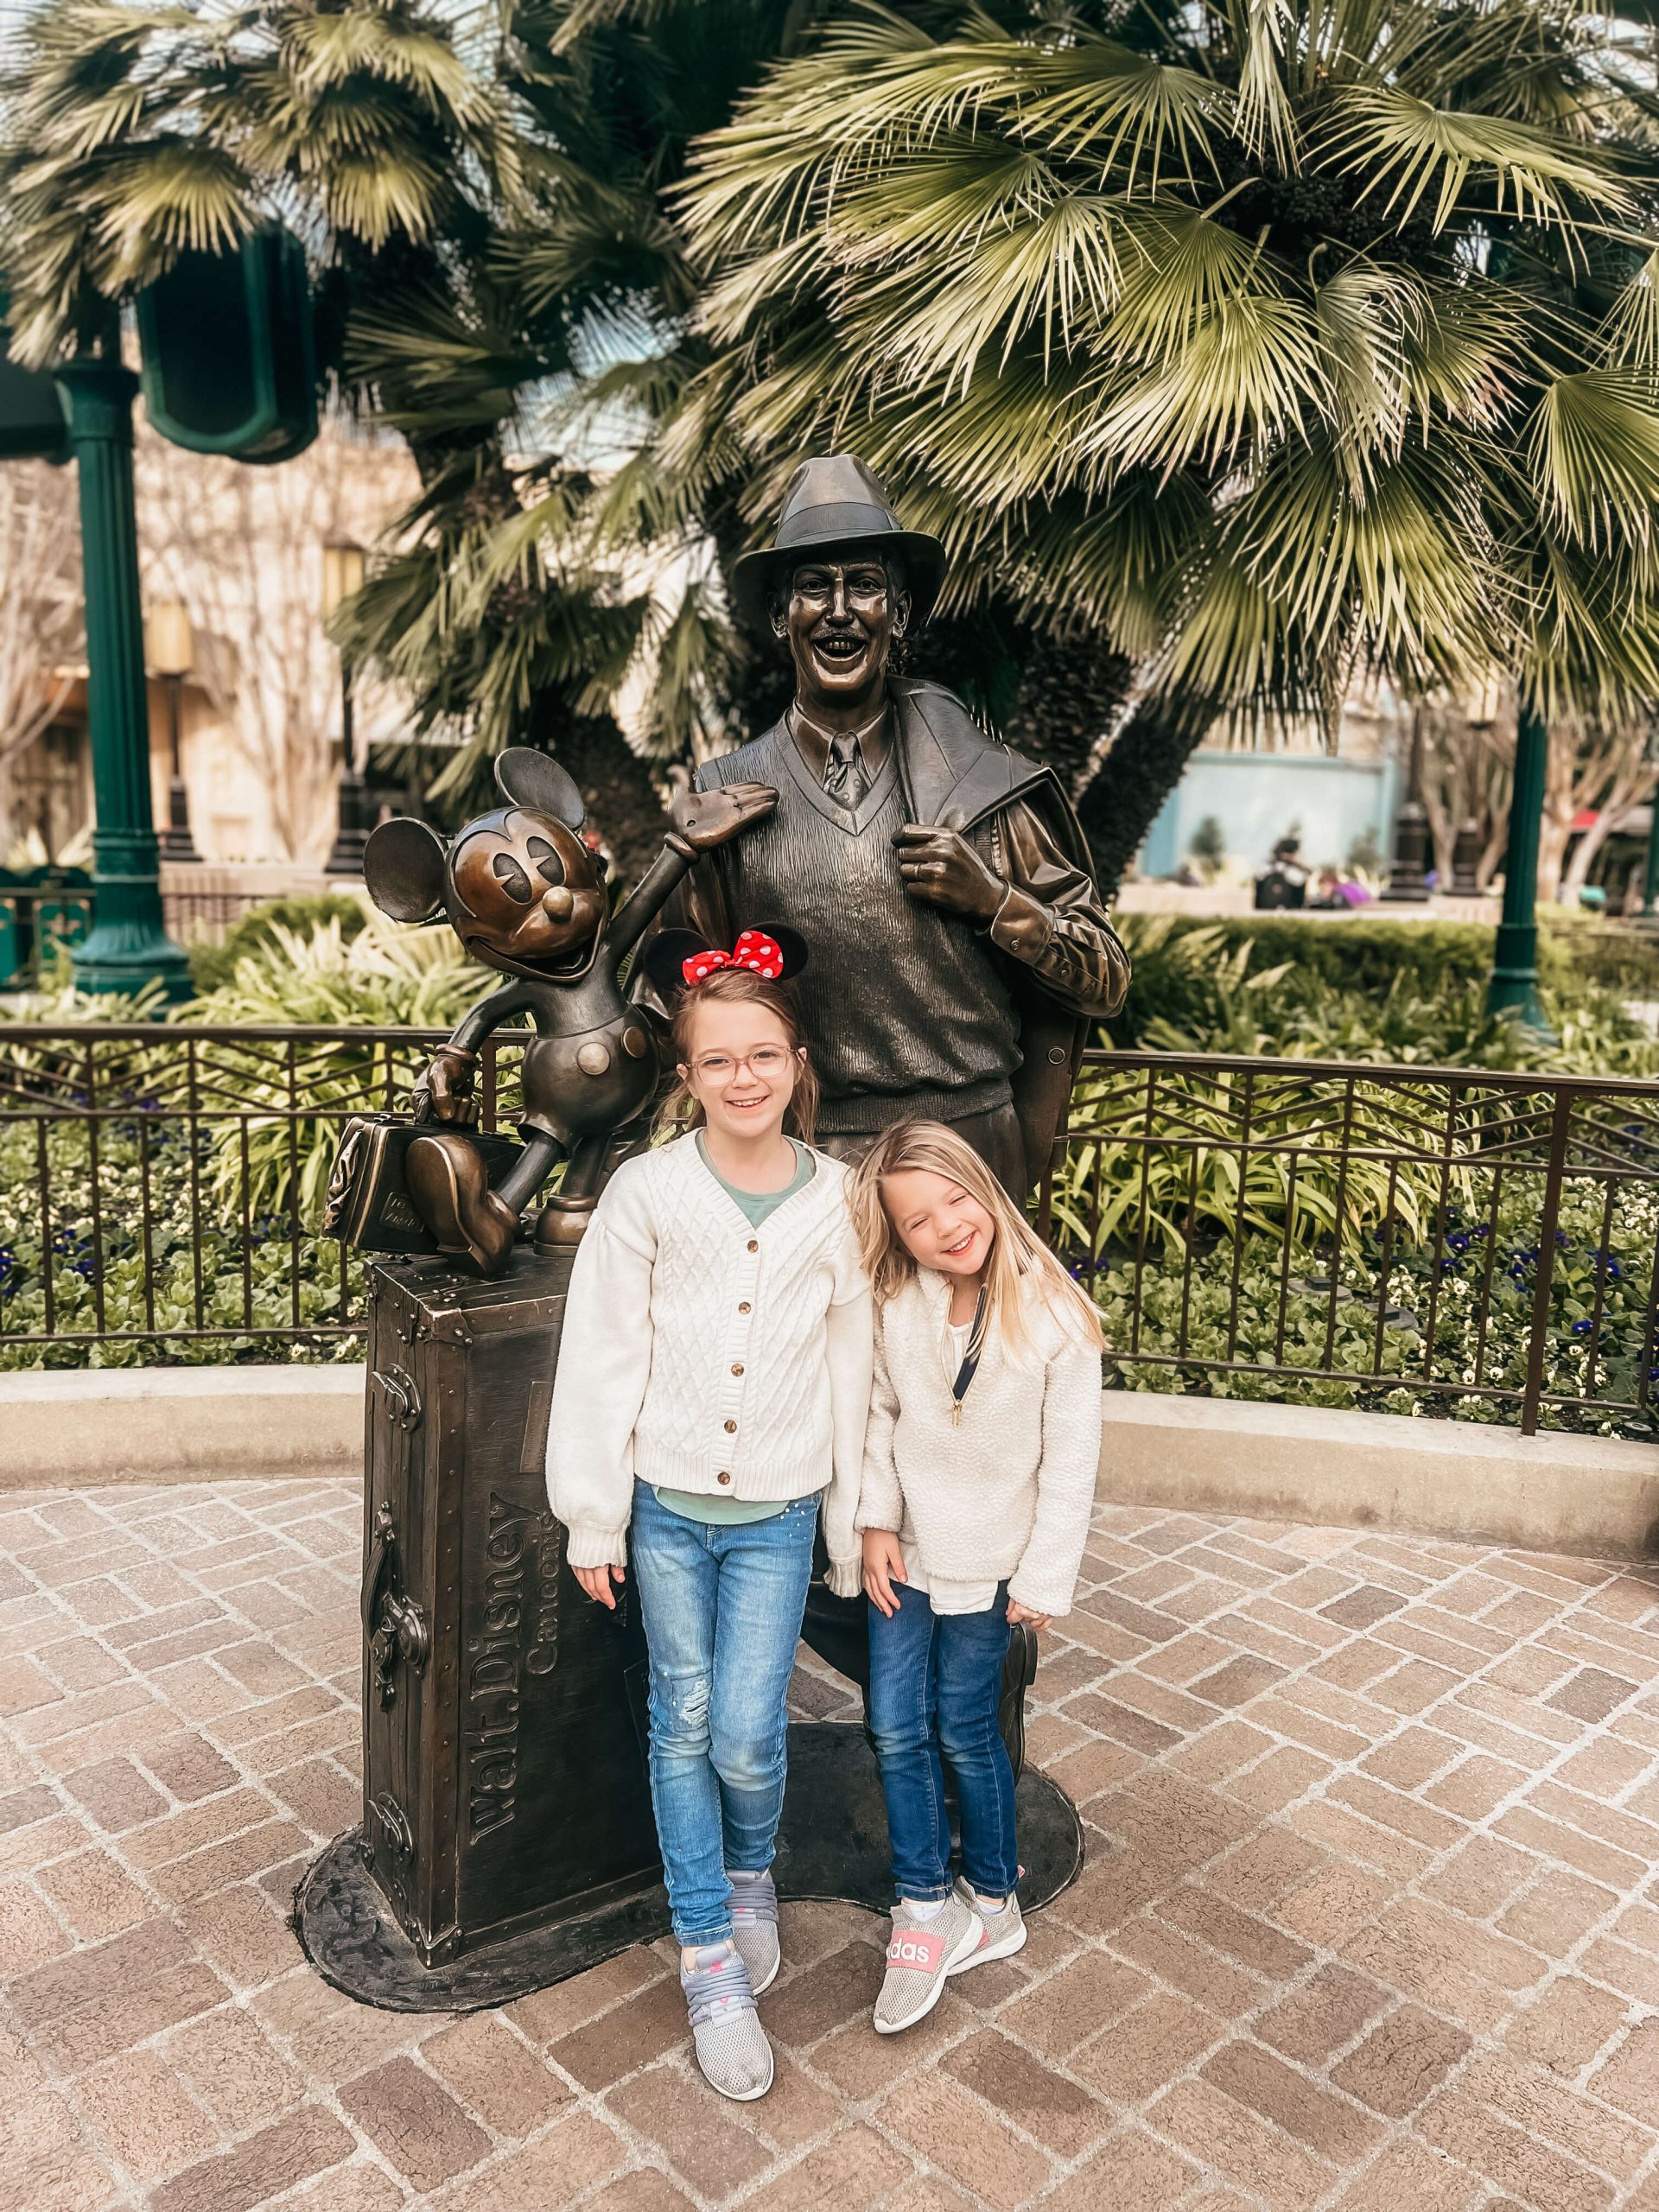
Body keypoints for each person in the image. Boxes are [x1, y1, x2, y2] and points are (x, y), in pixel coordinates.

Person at [545, 946, 870, 2101]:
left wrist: (852, 1517)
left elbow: (852, 1365)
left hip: (778, 1513)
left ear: (799, 1065)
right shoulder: (647, 1192)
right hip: (667, 1517)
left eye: (764, 1057)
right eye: (719, 1060)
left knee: (748, 1734)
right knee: (680, 1722)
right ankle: (707, 1955)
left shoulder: (839, 1201)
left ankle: (748, 1874)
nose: (744, 1079)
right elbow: (600, 1359)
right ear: (687, 1074)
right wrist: (594, 1517)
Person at [845, 1119, 1104, 2035]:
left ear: (986, 1189)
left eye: (956, 1198)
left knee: (963, 1724)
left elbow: (1070, 1465)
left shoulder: (1055, 1316)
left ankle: (994, 1897)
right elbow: (879, 1414)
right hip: (906, 1555)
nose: (947, 1226)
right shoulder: (898, 1304)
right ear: (898, 1236)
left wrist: (1045, 1576)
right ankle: (923, 1900)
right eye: (918, 1220)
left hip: (991, 1566)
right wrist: (875, 1518)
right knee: (891, 1724)